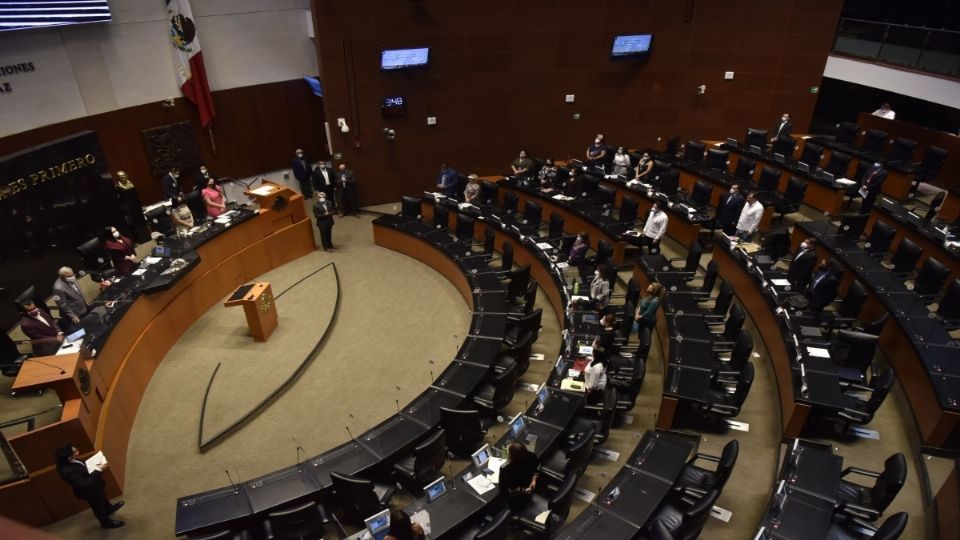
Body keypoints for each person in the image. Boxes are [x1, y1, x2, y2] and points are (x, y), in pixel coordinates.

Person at [54, 444, 124, 529]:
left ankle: (109, 509)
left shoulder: (69, 460)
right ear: (69, 457)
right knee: (98, 506)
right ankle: (106, 523)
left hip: (95, 485)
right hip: (89, 492)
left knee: (103, 497)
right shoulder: (68, 471)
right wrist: (99, 469)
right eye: (74, 451)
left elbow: (81, 467)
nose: (77, 450)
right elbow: (84, 484)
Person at [499, 442, 540, 511]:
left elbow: (505, 488)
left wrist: (523, 490)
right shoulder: (531, 455)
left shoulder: (506, 468)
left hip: (518, 496)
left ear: (511, 455)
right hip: (529, 485)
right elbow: (537, 467)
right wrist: (534, 480)